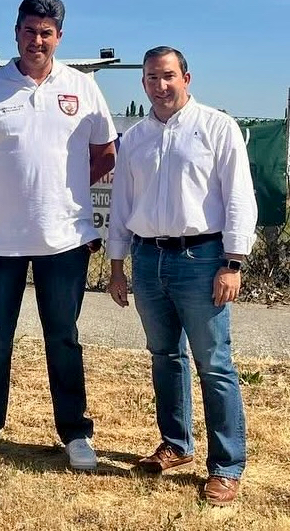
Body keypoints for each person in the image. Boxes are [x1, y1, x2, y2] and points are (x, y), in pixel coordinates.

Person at [0, 0, 117, 470]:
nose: (36, 40)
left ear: (59, 37)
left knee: (62, 336)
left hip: (64, 238)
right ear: (15, 32)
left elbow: (106, 151)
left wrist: (65, 192)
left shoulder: (83, 87)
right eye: (29, 31)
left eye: (46, 33)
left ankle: (75, 432)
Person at [107, 46, 257, 506]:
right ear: (144, 83)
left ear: (186, 78)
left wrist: (233, 262)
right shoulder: (134, 138)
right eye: (152, 78)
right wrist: (117, 265)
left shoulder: (217, 127)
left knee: (214, 365)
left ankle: (226, 466)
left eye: (168, 76)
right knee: (164, 357)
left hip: (203, 259)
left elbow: (239, 196)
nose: (160, 85)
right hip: (148, 260)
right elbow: (121, 206)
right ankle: (176, 444)